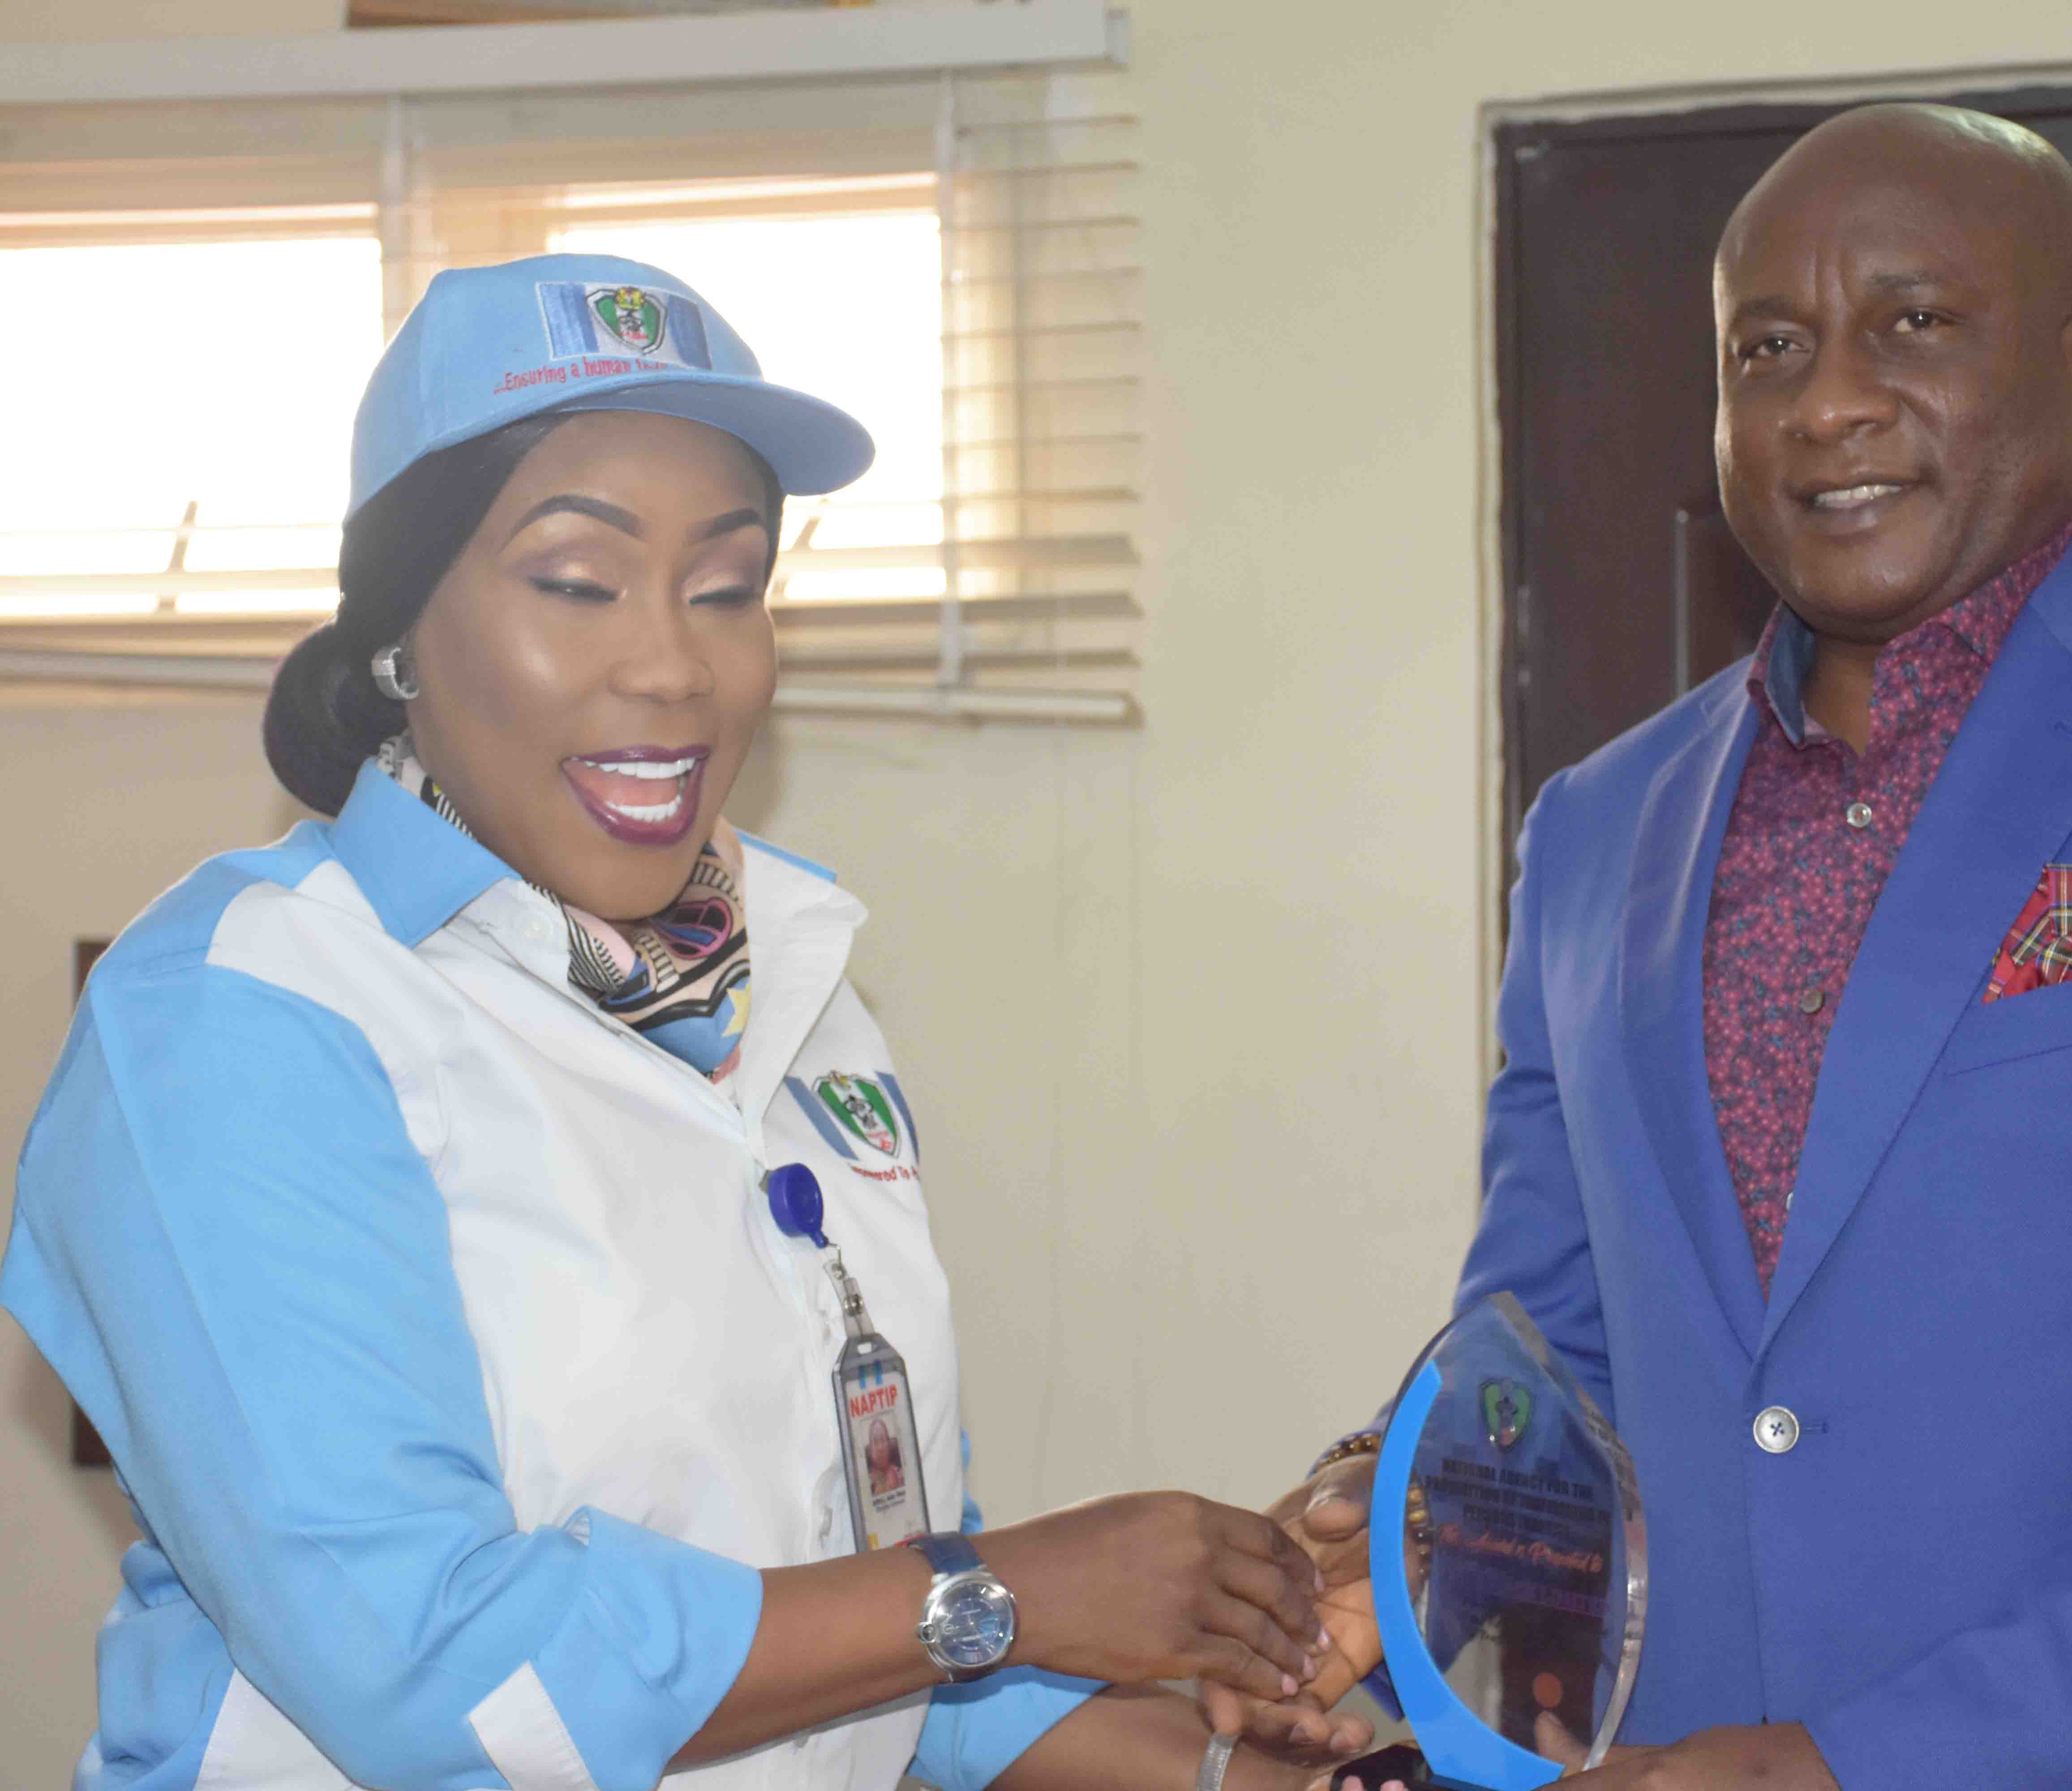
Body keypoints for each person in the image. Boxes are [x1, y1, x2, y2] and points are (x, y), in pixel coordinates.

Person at [1262, 104, 2072, 1790]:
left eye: (1916, 323)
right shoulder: (1593, 835)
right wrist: (1395, 1540)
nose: (1829, 401)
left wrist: (1869, 1763)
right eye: (1771, 347)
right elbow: (1549, 1365)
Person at [0, 254, 1347, 1791]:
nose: (674, 664)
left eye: (728, 588)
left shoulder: (794, 997)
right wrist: (1008, 1591)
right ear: (396, 638)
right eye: (577, 584)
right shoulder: (240, 1015)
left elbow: (876, 1641)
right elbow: (437, 1675)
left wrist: (1263, 1771)